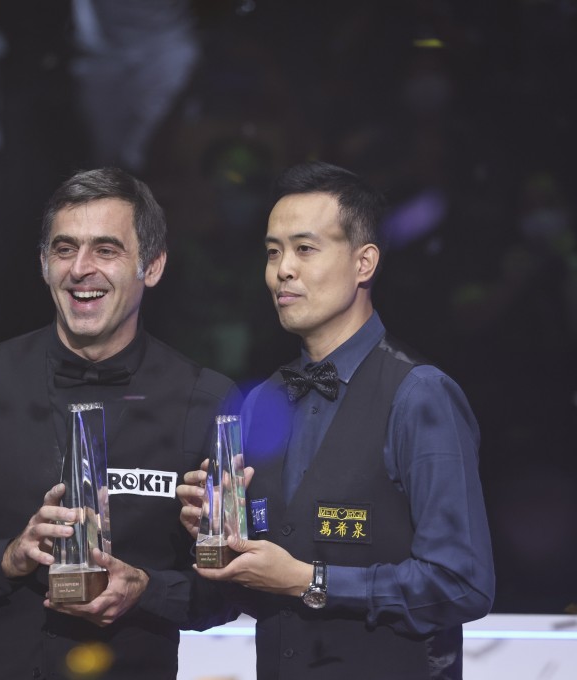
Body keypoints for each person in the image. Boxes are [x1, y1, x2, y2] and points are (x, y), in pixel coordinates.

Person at [0, 167, 237, 680]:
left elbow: (230, 593)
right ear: (43, 264)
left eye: (106, 250)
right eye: (65, 249)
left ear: (152, 267)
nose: (80, 269)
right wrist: (6, 561)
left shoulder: (205, 401)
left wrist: (148, 590)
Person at [178, 161, 495, 679]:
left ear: (363, 262)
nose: (283, 269)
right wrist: (216, 539)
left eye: (305, 249)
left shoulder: (419, 394)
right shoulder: (261, 402)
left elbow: (463, 583)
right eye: (273, 251)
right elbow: (250, 596)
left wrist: (308, 579)